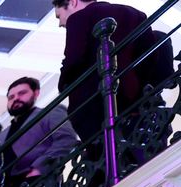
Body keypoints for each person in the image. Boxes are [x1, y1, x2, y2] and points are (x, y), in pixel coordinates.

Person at [55, 0, 171, 145]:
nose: (60, 23)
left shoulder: (78, 18)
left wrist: (63, 84)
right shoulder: (134, 13)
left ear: (72, 2)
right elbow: (151, 55)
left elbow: (74, 58)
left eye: (59, 16)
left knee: (110, 159)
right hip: (139, 107)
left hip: (99, 111)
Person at [0, 76, 79, 187]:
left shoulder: (51, 112)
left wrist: (38, 169)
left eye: (21, 93)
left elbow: (66, 140)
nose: (15, 99)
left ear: (36, 93)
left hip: (37, 185)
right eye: (11, 97)